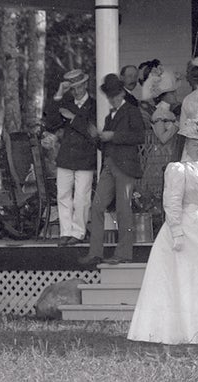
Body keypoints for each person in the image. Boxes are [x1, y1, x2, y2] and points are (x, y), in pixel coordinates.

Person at [127, 109, 198, 345]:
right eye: (196, 145)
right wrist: (176, 231)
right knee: (185, 281)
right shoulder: (178, 169)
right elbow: (172, 203)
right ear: (187, 145)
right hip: (186, 231)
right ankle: (184, 330)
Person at [83, 74, 146, 264]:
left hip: (125, 165)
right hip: (110, 164)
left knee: (123, 209)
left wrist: (113, 136)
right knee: (97, 206)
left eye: (115, 95)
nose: (112, 99)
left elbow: (139, 136)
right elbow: (105, 144)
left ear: (121, 93)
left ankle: (124, 254)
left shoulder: (132, 111)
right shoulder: (110, 116)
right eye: (110, 96)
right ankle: (96, 252)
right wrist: (97, 137)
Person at [42, 68, 97, 241]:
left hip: (85, 156)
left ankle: (78, 232)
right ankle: (65, 232)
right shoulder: (65, 103)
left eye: (79, 87)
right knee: (63, 195)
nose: (76, 91)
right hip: (66, 156)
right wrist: (59, 94)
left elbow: (92, 132)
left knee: (82, 197)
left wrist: (73, 118)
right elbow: (51, 123)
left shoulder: (94, 105)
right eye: (73, 88)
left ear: (86, 85)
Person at [140, 101, 180, 230]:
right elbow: (162, 137)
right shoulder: (159, 114)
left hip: (168, 155)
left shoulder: (166, 112)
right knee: (157, 191)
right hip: (160, 156)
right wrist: (176, 126)